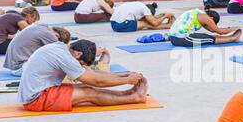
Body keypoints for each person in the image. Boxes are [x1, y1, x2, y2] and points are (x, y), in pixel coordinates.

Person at [18, 39, 148, 112]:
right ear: (79, 54)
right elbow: (96, 81)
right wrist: (127, 80)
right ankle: (135, 98)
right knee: (90, 92)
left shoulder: (63, 48)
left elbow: (92, 74)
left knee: (87, 88)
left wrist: (124, 76)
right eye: (81, 63)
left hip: (40, 91)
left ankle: (128, 94)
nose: (81, 65)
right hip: (36, 99)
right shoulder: (66, 57)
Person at [4, 24, 71, 76]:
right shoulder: (47, 34)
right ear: (57, 36)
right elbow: (61, 52)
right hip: (20, 68)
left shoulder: (39, 26)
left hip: (15, 66)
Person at [168, 6, 242, 47]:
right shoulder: (205, 18)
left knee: (206, 36)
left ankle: (232, 37)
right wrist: (234, 28)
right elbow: (220, 31)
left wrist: (227, 30)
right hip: (182, 39)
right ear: (212, 18)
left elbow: (213, 30)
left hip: (174, 38)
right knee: (209, 39)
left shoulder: (199, 13)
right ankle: (233, 38)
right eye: (213, 23)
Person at [110, 2, 174, 32]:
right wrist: (165, 16)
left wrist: (160, 16)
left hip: (113, 24)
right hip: (120, 25)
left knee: (143, 21)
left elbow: (146, 18)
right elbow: (154, 23)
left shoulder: (138, 5)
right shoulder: (146, 9)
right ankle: (169, 25)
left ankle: (168, 25)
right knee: (146, 23)